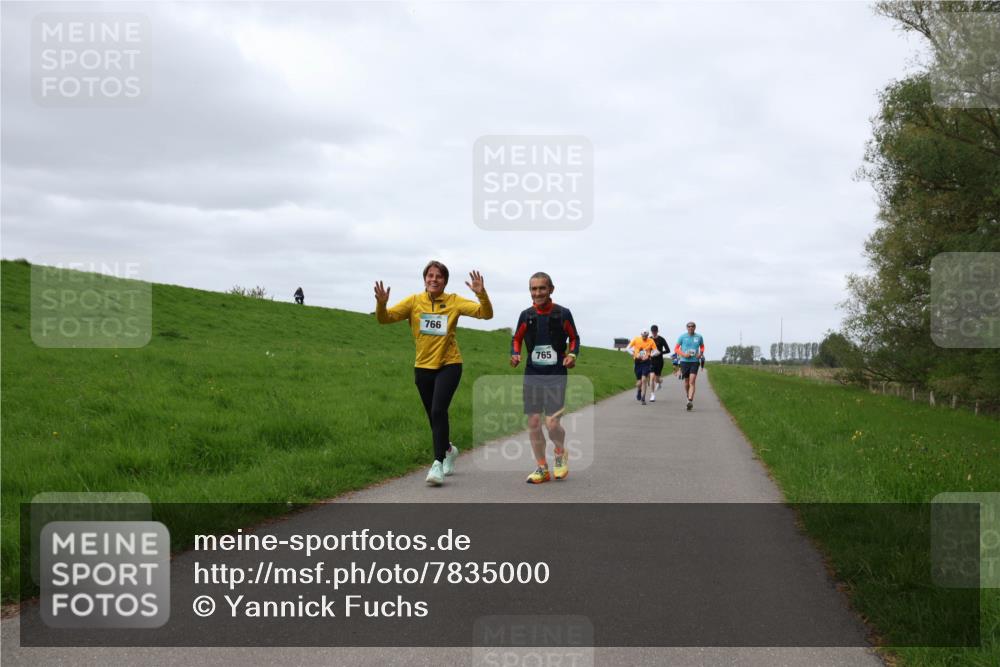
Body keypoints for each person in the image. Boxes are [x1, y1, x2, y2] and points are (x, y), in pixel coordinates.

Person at [374, 261, 493, 486]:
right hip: (423, 367)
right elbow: (384, 318)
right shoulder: (414, 301)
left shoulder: (454, 301)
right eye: (430, 275)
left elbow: (485, 314)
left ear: (445, 281)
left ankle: (437, 463)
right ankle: (448, 449)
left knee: (439, 410)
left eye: (439, 276)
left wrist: (482, 295)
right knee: (433, 416)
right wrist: (381, 304)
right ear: (425, 279)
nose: (434, 279)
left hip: (449, 365)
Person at [510, 272, 580, 484]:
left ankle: (560, 452)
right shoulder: (526, 315)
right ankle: (542, 468)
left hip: (556, 375)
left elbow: (575, 338)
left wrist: (571, 354)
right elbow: (517, 338)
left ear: (551, 289)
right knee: (533, 422)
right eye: (533, 289)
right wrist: (515, 354)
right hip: (533, 374)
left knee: (551, 423)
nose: (538, 293)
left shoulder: (563, 314)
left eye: (542, 288)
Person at [675, 321, 705, 411]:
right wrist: (684, 355)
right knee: (686, 382)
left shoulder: (699, 337)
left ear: (695, 327)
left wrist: (700, 354)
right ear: (687, 328)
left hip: (694, 362)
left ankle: (690, 400)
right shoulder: (682, 337)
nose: (690, 328)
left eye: (692, 326)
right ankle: (688, 396)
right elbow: (676, 348)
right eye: (689, 326)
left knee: (692, 382)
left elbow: (702, 346)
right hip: (684, 361)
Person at [628, 330, 657, 405]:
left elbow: (656, 351)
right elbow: (628, 348)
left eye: (646, 336)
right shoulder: (636, 339)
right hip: (637, 362)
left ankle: (643, 398)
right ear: (641, 335)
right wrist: (635, 355)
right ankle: (639, 390)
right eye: (643, 336)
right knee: (639, 382)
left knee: (644, 379)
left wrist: (649, 355)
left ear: (648, 335)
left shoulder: (651, 341)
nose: (645, 337)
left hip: (646, 362)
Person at [649, 325, 669, 399]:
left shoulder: (661, 339)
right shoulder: (649, 339)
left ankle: (660, 382)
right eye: (653, 331)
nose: (654, 332)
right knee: (651, 378)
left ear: (657, 331)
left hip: (659, 361)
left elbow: (668, 350)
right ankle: (652, 395)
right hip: (651, 361)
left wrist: (660, 352)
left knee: (657, 379)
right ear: (651, 331)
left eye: (655, 331)